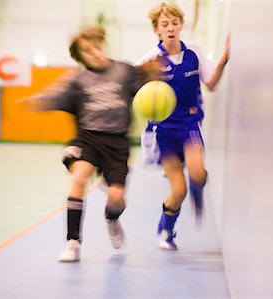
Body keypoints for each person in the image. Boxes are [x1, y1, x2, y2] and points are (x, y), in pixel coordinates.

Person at [27, 25, 156, 262]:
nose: (94, 52)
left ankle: (112, 217)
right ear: (80, 57)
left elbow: (148, 90)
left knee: (116, 198)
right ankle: (73, 241)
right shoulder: (79, 80)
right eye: (87, 51)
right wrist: (42, 101)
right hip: (88, 138)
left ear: (103, 44)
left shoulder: (124, 70)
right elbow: (58, 96)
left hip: (117, 142)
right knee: (79, 178)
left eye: (96, 46)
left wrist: (152, 76)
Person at [135, 2, 229, 250]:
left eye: (174, 23)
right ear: (157, 29)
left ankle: (199, 194)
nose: (170, 28)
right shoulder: (149, 60)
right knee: (178, 190)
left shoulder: (195, 52)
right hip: (164, 132)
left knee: (199, 173)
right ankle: (165, 229)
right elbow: (130, 88)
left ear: (181, 25)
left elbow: (211, 84)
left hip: (189, 125)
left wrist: (222, 62)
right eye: (164, 24)